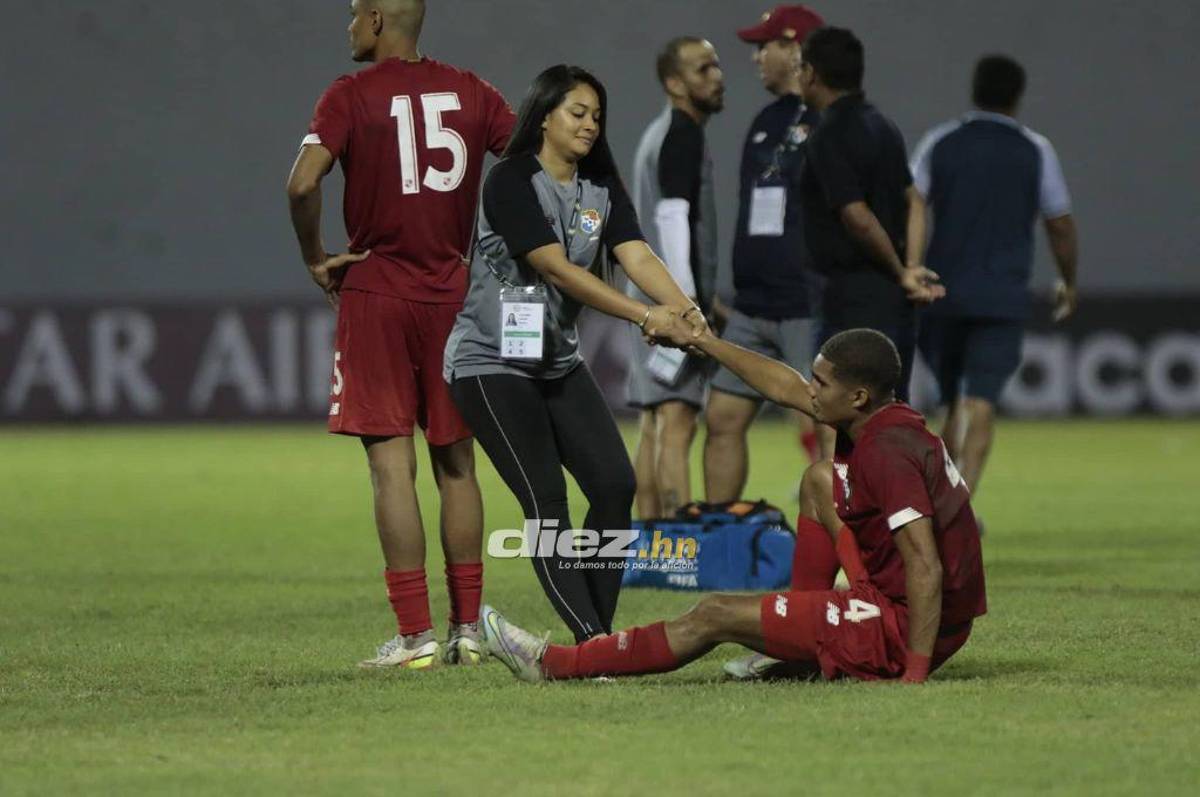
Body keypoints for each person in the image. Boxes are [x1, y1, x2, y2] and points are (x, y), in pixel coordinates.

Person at [480, 327, 986, 684]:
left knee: (714, 613)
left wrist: (914, 673)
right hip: (917, 612)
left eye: (821, 383)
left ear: (856, 396)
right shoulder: (884, 420)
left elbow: (925, 565)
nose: (810, 391)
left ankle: (553, 663)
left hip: (905, 627)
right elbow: (784, 386)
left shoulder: (888, 455)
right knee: (818, 480)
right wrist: (704, 341)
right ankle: (803, 646)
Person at [285, 0, 515, 669]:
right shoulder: (475, 92)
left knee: (392, 467)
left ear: (378, 21)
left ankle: (416, 636)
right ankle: (467, 629)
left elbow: (302, 185)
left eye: (355, 14)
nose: (349, 27)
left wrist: (315, 256)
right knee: (458, 465)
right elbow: (531, 161)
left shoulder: (348, 94)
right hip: (453, 297)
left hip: (378, 293)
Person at [444, 65, 705, 643]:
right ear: (543, 117)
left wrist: (684, 309)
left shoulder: (601, 186)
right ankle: (595, 642)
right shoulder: (510, 179)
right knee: (547, 504)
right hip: (490, 365)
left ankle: (597, 643)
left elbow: (636, 255)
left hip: (557, 363)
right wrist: (645, 315)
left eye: (597, 116)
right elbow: (556, 268)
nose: (590, 125)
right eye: (577, 113)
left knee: (614, 485)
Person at [909, 55, 1079, 494]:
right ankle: (961, 505)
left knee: (950, 403)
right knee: (979, 402)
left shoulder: (940, 141)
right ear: (1018, 96)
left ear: (974, 89)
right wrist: (1068, 280)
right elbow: (1059, 222)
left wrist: (910, 265)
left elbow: (912, 201)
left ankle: (942, 496)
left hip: (942, 292)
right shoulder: (1035, 149)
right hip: (1002, 296)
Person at [797, 27, 943, 446]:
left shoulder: (827, 134)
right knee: (894, 414)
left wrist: (901, 271)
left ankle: (855, 493)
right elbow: (915, 200)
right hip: (894, 302)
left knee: (844, 418)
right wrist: (910, 268)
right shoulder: (883, 125)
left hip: (851, 297)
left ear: (811, 73)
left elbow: (856, 215)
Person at [703, 5, 826, 504]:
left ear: (795, 49)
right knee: (722, 417)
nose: (755, 57)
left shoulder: (829, 120)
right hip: (753, 304)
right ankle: (718, 529)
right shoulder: (766, 119)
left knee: (827, 423)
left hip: (807, 302)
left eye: (764, 46)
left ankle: (842, 539)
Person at [625, 37, 726, 519]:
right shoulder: (683, 133)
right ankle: (681, 542)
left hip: (649, 296)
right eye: (703, 68)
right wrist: (688, 302)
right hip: (671, 302)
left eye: (716, 65)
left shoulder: (658, 133)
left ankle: (647, 540)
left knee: (654, 422)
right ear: (674, 83)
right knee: (677, 420)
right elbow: (671, 217)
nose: (717, 76)